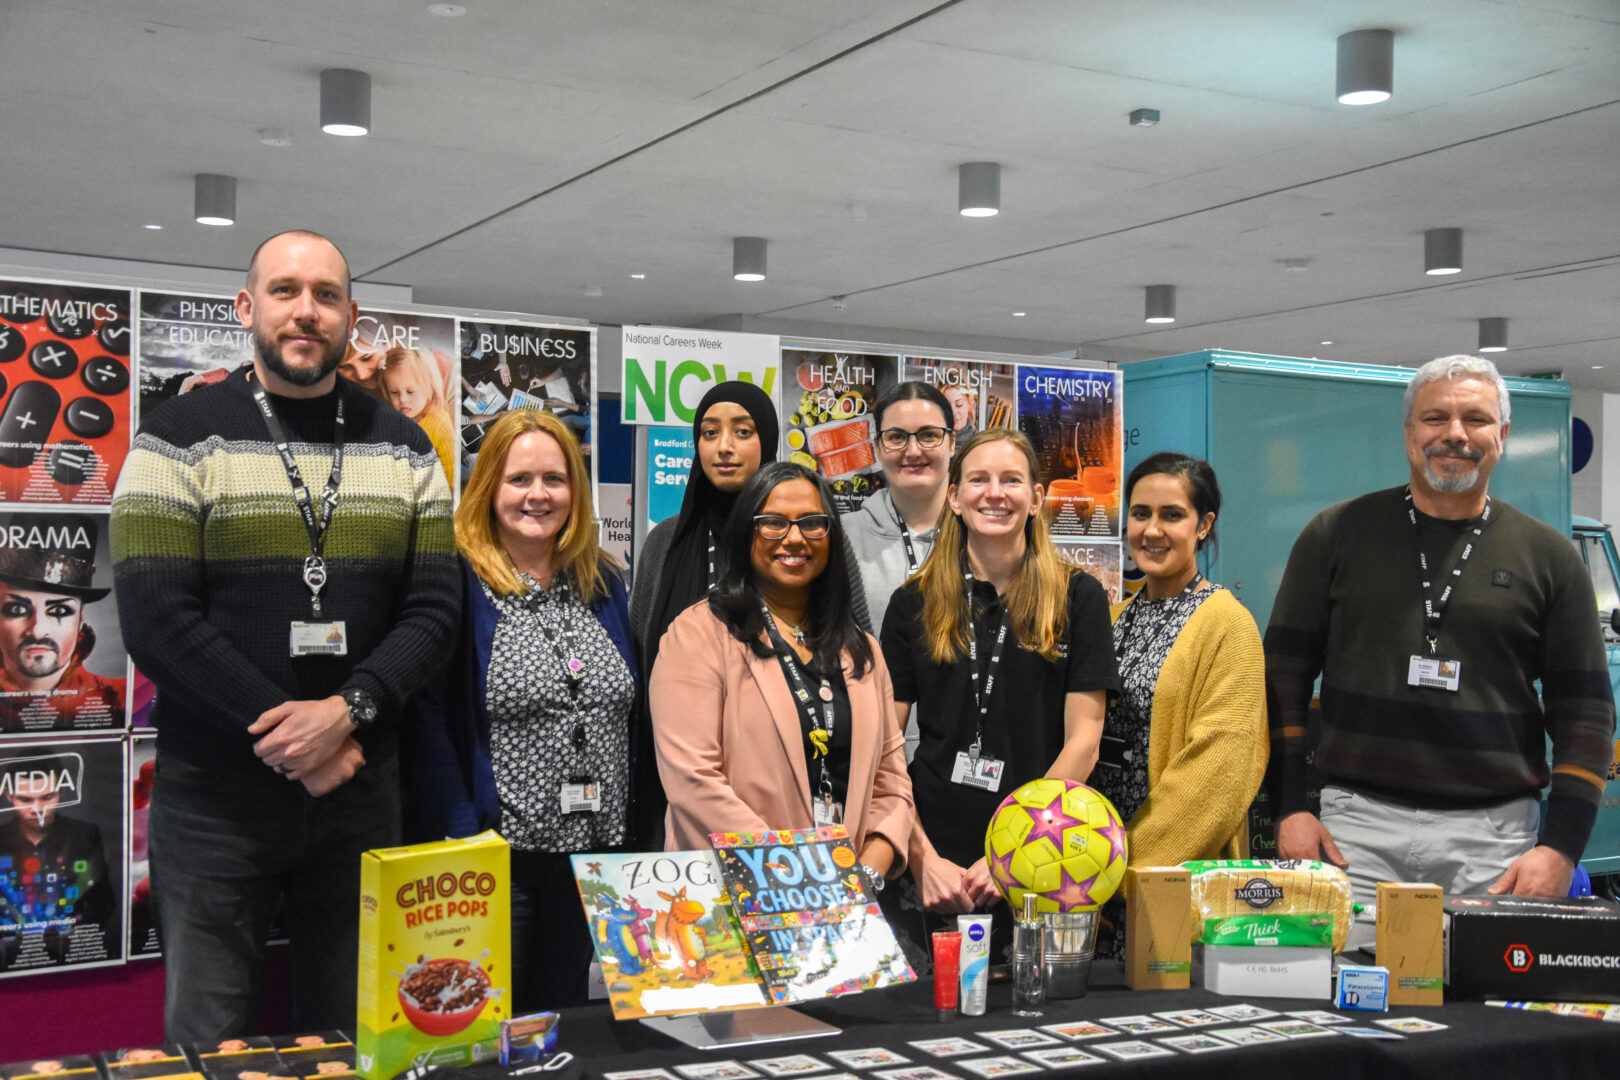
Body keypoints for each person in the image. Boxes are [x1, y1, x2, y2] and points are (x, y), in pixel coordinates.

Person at [110, 229, 459, 1040]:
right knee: (210, 1029)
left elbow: (435, 611)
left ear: (351, 317)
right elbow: (158, 620)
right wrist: (294, 736)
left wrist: (347, 715)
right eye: (285, 291)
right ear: (246, 307)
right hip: (215, 799)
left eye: (327, 295)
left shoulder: (403, 444)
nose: (307, 311)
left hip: (361, 788)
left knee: (354, 1026)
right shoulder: (176, 438)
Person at [1267, 355, 1615, 944]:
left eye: (1475, 419)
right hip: (1355, 833)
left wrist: (1561, 847)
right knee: (1349, 1007)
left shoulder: (1549, 559)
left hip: (1496, 841)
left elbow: (1586, 715)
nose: (1454, 434)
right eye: (1435, 418)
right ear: (1408, 432)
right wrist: (1290, 807)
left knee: (1485, 1018)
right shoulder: (1337, 534)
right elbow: (1283, 682)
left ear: (1501, 436)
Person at [401, 409, 636, 1011]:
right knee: (486, 1026)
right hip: (495, 860)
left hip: (591, 859)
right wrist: (461, 839)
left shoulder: (604, 582)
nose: (539, 495)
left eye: (554, 480)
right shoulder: (457, 579)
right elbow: (427, 720)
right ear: (488, 489)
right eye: (519, 479)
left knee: (562, 1024)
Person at [881, 429, 1118, 953]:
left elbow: (1085, 741)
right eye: (979, 480)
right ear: (955, 497)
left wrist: (1016, 851)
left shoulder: (1079, 598)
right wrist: (921, 858)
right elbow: (885, 750)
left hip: (1044, 855)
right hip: (931, 859)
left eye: (1012, 480)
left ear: (1035, 498)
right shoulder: (911, 604)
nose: (995, 493)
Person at [650, 462, 912, 889]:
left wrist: (862, 874)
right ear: (745, 532)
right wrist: (796, 877)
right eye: (772, 523)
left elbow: (892, 783)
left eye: (812, 523)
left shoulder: (862, 649)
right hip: (731, 898)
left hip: (843, 905)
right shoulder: (697, 636)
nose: (794, 538)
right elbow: (693, 782)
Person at [1093, 453, 1266, 957]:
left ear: (1203, 525)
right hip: (1091, 882)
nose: (1152, 530)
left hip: (1166, 883)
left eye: (1172, 515)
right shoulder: (1113, 617)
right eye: (1140, 513)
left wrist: (1121, 874)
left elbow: (1219, 772)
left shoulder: (1228, 625)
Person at [844, 382, 955, 760]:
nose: (912, 451)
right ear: (877, 448)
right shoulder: (839, 539)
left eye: (928, 435)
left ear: (952, 443)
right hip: (864, 754)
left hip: (960, 764)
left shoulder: (985, 539)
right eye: (896, 437)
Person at [0, 515, 122, 731]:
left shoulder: (119, 699)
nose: (37, 631)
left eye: (59, 610)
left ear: (81, 618)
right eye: (17, 609)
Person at [0, 753, 116, 970]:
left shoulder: (84, 835)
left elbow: (104, 901)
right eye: (25, 799)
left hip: (72, 957)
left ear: (61, 791)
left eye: (47, 797)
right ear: (8, 794)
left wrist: (78, 934)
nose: (38, 809)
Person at [379, 345, 456, 486]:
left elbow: (451, 483)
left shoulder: (439, 426)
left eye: (410, 392)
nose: (402, 400)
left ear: (429, 386)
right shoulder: (398, 422)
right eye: (394, 392)